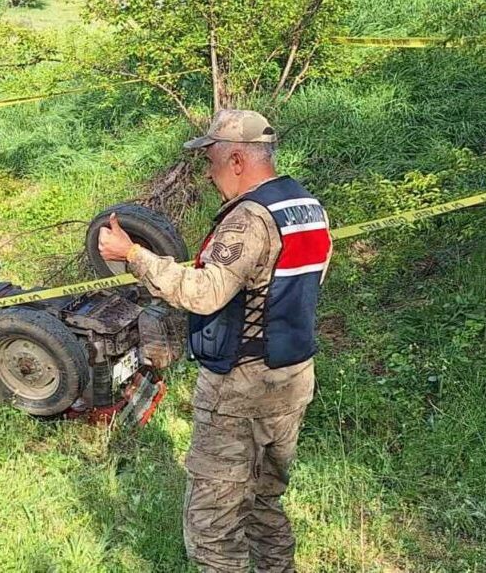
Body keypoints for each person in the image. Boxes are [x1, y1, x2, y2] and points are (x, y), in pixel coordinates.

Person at [98, 109, 333, 572]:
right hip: (291, 378)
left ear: (239, 160)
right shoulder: (306, 205)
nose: (208, 174)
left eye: (212, 162)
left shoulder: (249, 219)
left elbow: (205, 294)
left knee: (214, 524)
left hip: (240, 388)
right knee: (265, 504)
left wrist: (133, 256)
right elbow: (304, 279)